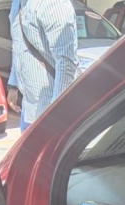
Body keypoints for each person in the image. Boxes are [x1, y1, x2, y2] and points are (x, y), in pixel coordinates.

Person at [6, 0, 79, 132]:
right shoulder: (18, 3)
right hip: (28, 108)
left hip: (51, 113)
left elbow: (66, 61)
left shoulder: (53, 3)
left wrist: (55, 111)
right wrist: (13, 84)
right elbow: (17, 44)